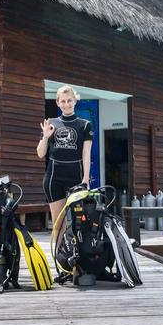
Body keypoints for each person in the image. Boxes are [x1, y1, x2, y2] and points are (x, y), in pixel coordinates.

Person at [37, 85, 93, 240]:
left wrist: (86, 180)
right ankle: (59, 261)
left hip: (77, 178)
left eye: (69, 100)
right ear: (57, 103)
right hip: (54, 178)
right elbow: (41, 153)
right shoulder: (51, 123)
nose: (66, 104)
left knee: (80, 222)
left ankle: (79, 258)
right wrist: (46, 136)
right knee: (59, 224)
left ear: (75, 101)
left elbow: (86, 153)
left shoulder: (85, 125)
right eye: (63, 101)